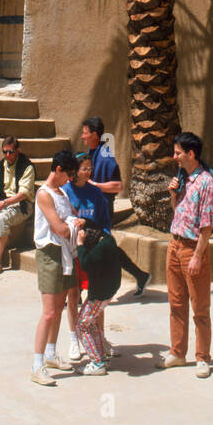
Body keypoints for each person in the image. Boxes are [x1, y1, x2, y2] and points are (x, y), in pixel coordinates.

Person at [157, 131, 213, 378]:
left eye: (178, 153)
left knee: (200, 307)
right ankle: (178, 353)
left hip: (193, 248)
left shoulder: (206, 183)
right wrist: (173, 196)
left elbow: (207, 226)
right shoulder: (183, 178)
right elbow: (178, 212)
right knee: (176, 303)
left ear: (191, 154)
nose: (175, 157)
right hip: (174, 244)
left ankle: (202, 358)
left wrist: (196, 257)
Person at [79, 117, 150, 295]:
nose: (82, 136)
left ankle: (81, 293)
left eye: (85, 133)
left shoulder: (106, 156)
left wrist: (94, 186)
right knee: (99, 247)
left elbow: (118, 186)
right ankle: (140, 275)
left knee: (97, 247)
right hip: (91, 209)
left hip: (102, 210)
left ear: (95, 135)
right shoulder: (93, 151)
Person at [30, 152, 80, 386]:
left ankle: (50, 354)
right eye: (68, 174)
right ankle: (36, 366)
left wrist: (73, 224)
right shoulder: (44, 194)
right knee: (49, 312)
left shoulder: (63, 193)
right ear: (58, 169)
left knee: (59, 308)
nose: (70, 179)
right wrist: (73, 226)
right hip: (50, 254)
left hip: (65, 254)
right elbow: (60, 228)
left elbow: (73, 219)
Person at [63, 152, 113, 360]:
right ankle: (75, 338)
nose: (89, 171)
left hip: (93, 252)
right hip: (73, 251)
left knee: (96, 296)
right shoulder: (64, 193)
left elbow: (105, 223)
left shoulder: (96, 193)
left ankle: (100, 338)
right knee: (73, 295)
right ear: (74, 172)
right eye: (85, 168)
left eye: (90, 168)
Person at [0, 136, 37, 275]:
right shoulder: (0, 166)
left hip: (22, 205)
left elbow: (24, 194)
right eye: (5, 152)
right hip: (4, 203)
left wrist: (4, 203)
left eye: (11, 152)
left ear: (18, 151)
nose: (7, 155)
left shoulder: (27, 166)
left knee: (2, 219)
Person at [74, 224, 122, 375]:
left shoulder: (101, 248)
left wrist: (80, 245)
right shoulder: (108, 240)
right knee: (91, 323)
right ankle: (102, 356)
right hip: (107, 290)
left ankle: (96, 362)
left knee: (81, 325)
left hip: (100, 294)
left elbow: (86, 264)